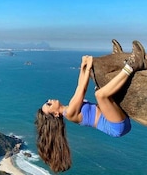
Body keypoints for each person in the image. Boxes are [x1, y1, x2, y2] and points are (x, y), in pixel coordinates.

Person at [34, 40, 146, 173]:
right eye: (49, 104)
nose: (50, 100)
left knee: (99, 88)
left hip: (113, 119)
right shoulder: (70, 113)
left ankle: (117, 59)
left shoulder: (70, 108)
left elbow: (79, 85)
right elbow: (82, 88)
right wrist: (88, 66)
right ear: (56, 114)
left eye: (47, 101)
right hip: (116, 126)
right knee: (100, 95)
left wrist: (83, 67)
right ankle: (132, 65)